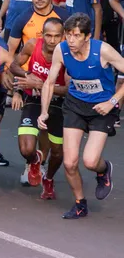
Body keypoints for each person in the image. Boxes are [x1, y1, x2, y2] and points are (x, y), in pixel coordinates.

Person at [39, 13, 124, 218]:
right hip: (75, 105)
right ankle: (80, 203)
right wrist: (44, 111)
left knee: (90, 161)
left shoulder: (102, 50)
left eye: (76, 36)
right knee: (69, 163)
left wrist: (112, 101)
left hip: (101, 108)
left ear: (87, 37)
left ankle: (103, 170)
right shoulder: (61, 50)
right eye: (68, 35)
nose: (71, 40)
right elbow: (50, 82)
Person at [10, 16, 66, 199]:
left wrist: (44, 85)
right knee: (26, 149)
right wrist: (28, 75)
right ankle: (35, 161)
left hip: (58, 104)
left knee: (58, 153)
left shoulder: (68, 53)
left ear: (63, 36)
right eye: (49, 35)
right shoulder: (33, 45)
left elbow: (68, 89)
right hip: (34, 99)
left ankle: (48, 179)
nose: (52, 40)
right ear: (43, 34)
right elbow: (14, 65)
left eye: (57, 36)